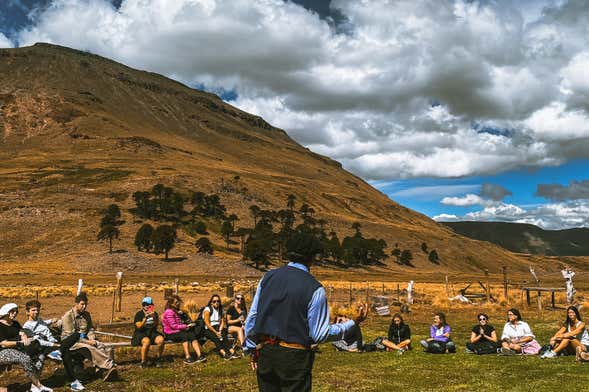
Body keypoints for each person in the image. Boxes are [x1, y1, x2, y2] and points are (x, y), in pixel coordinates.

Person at [245, 229, 367, 392]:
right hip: (294, 356)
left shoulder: (268, 277)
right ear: (312, 257)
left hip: (266, 352)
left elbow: (253, 317)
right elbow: (319, 334)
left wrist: (252, 347)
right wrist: (352, 323)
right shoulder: (315, 288)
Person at [60, 292, 117, 391]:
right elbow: (71, 337)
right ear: (76, 304)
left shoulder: (86, 315)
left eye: (86, 304)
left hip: (84, 340)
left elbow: (90, 329)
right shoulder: (68, 316)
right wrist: (87, 342)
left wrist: (92, 338)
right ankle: (109, 366)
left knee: (102, 345)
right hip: (70, 343)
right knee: (90, 348)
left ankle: (101, 370)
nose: (84, 306)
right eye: (82, 304)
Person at [0, 303, 52, 392]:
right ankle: (39, 385)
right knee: (24, 358)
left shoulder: (15, 323)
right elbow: (3, 343)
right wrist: (19, 343)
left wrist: (23, 335)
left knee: (40, 355)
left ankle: (34, 384)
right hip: (2, 352)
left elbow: (21, 332)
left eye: (16, 311)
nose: (15, 313)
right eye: (12, 311)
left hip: (17, 349)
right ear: (5, 312)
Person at [161, 295, 206, 364]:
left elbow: (180, 323)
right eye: (176, 302)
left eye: (178, 302)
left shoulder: (176, 311)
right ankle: (188, 357)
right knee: (184, 335)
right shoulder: (169, 312)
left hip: (178, 331)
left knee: (191, 334)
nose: (178, 303)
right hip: (170, 333)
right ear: (171, 304)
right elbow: (173, 326)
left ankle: (200, 355)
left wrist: (187, 324)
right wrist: (186, 326)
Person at [202, 294, 239, 360]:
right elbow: (207, 323)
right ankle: (224, 353)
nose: (216, 303)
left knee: (224, 336)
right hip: (209, 328)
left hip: (218, 327)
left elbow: (222, 321)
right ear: (211, 302)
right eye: (214, 301)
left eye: (218, 301)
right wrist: (216, 332)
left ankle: (232, 352)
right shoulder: (207, 310)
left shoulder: (220, 309)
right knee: (216, 338)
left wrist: (220, 330)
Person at [132, 297, 165, 367]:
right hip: (141, 333)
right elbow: (138, 326)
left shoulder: (154, 313)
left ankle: (158, 358)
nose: (147, 306)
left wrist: (154, 317)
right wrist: (145, 319)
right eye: (145, 304)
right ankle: (143, 361)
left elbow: (156, 324)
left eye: (149, 305)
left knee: (161, 340)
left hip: (152, 332)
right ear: (143, 305)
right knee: (147, 342)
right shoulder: (139, 314)